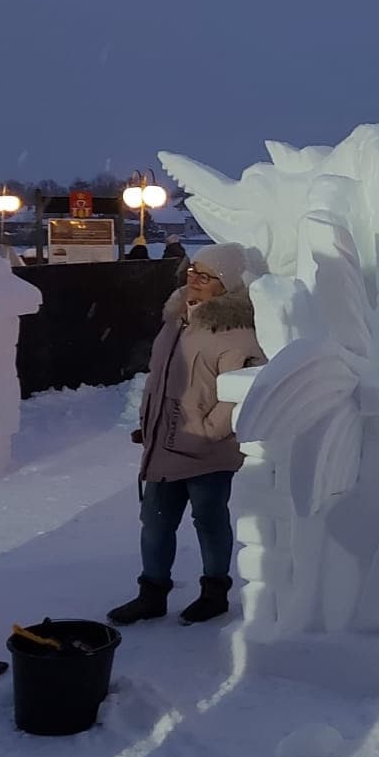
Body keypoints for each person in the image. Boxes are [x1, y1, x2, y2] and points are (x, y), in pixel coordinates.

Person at [108, 242, 266, 626]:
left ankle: (214, 594)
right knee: (155, 522)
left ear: (224, 285)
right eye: (192, 270)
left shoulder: (238, 333)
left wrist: (208, 431)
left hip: (208, 451)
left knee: (210, 522)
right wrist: (151, 423)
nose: (194, 279)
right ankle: (152, 595)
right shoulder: (176, 320)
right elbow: (160, 381)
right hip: (165, 444)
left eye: (205, 275)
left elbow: (239, 391)